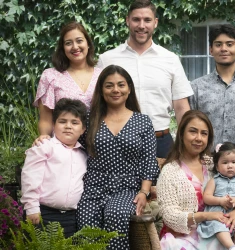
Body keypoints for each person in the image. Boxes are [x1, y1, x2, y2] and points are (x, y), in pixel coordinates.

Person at [77, 65, 160, 249]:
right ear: (101, 89)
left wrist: (143, 192)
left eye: (121, 85)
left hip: (127, 188)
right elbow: (73, 146)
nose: (116, 90)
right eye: (109, 85)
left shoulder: (142, 121)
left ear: (129, 89)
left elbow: (148, 161)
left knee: (116, 214)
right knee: (86, 223)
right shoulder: (89, 119)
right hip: (93, 186)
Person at [97, 0, 193, 158]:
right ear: (128, 20)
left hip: (160, 142)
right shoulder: (107, 59)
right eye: (136, 19)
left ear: (155, 23)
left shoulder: (170, 59)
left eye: (147, 20)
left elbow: (181, 107)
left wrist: (185, 145)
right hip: (117, 141)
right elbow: (97, 103)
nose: (141, 26)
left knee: (161, 184)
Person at [157, 110, 235, 250]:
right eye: (193, 131)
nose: (199, 138)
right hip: (184, 236)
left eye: (204, 133)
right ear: (181, 134)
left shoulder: (214, 164)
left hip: (222, 232)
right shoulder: (170, 171)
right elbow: (169, 215)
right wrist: (206, 216)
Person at [189, 24, 235, 153]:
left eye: (229, 44)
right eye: (218, 44)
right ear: (211, 50)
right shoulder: (196, 87)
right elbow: (189, 127)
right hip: (205, 162)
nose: (224, 49)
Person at [21, 98, 88, 238]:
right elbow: (30, 178)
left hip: (71, 217)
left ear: (83, 130)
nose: (68, 126)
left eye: (75, 123)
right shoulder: (44, 147)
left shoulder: (84, 155)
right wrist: (31, 207)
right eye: (62, 121)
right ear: (53, 125)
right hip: (42, 213)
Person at [33, 21, 101, 142]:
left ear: (88, 44)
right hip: (63, 147)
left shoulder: (102, 76)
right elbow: (45, 118)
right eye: (68, 43)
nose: (75, 47)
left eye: (79, 41)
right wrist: (44, 137)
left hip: (98, 145)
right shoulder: (50, 76)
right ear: (63, 48)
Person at [197, 142, 235, 250]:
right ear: (217, 167)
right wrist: (220, 201)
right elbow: (206, 197)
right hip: (217, 214)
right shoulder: (215, 180)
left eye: (234, 162)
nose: (230, 165)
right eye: (225, 162)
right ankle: (231, 247)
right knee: (218, 226)